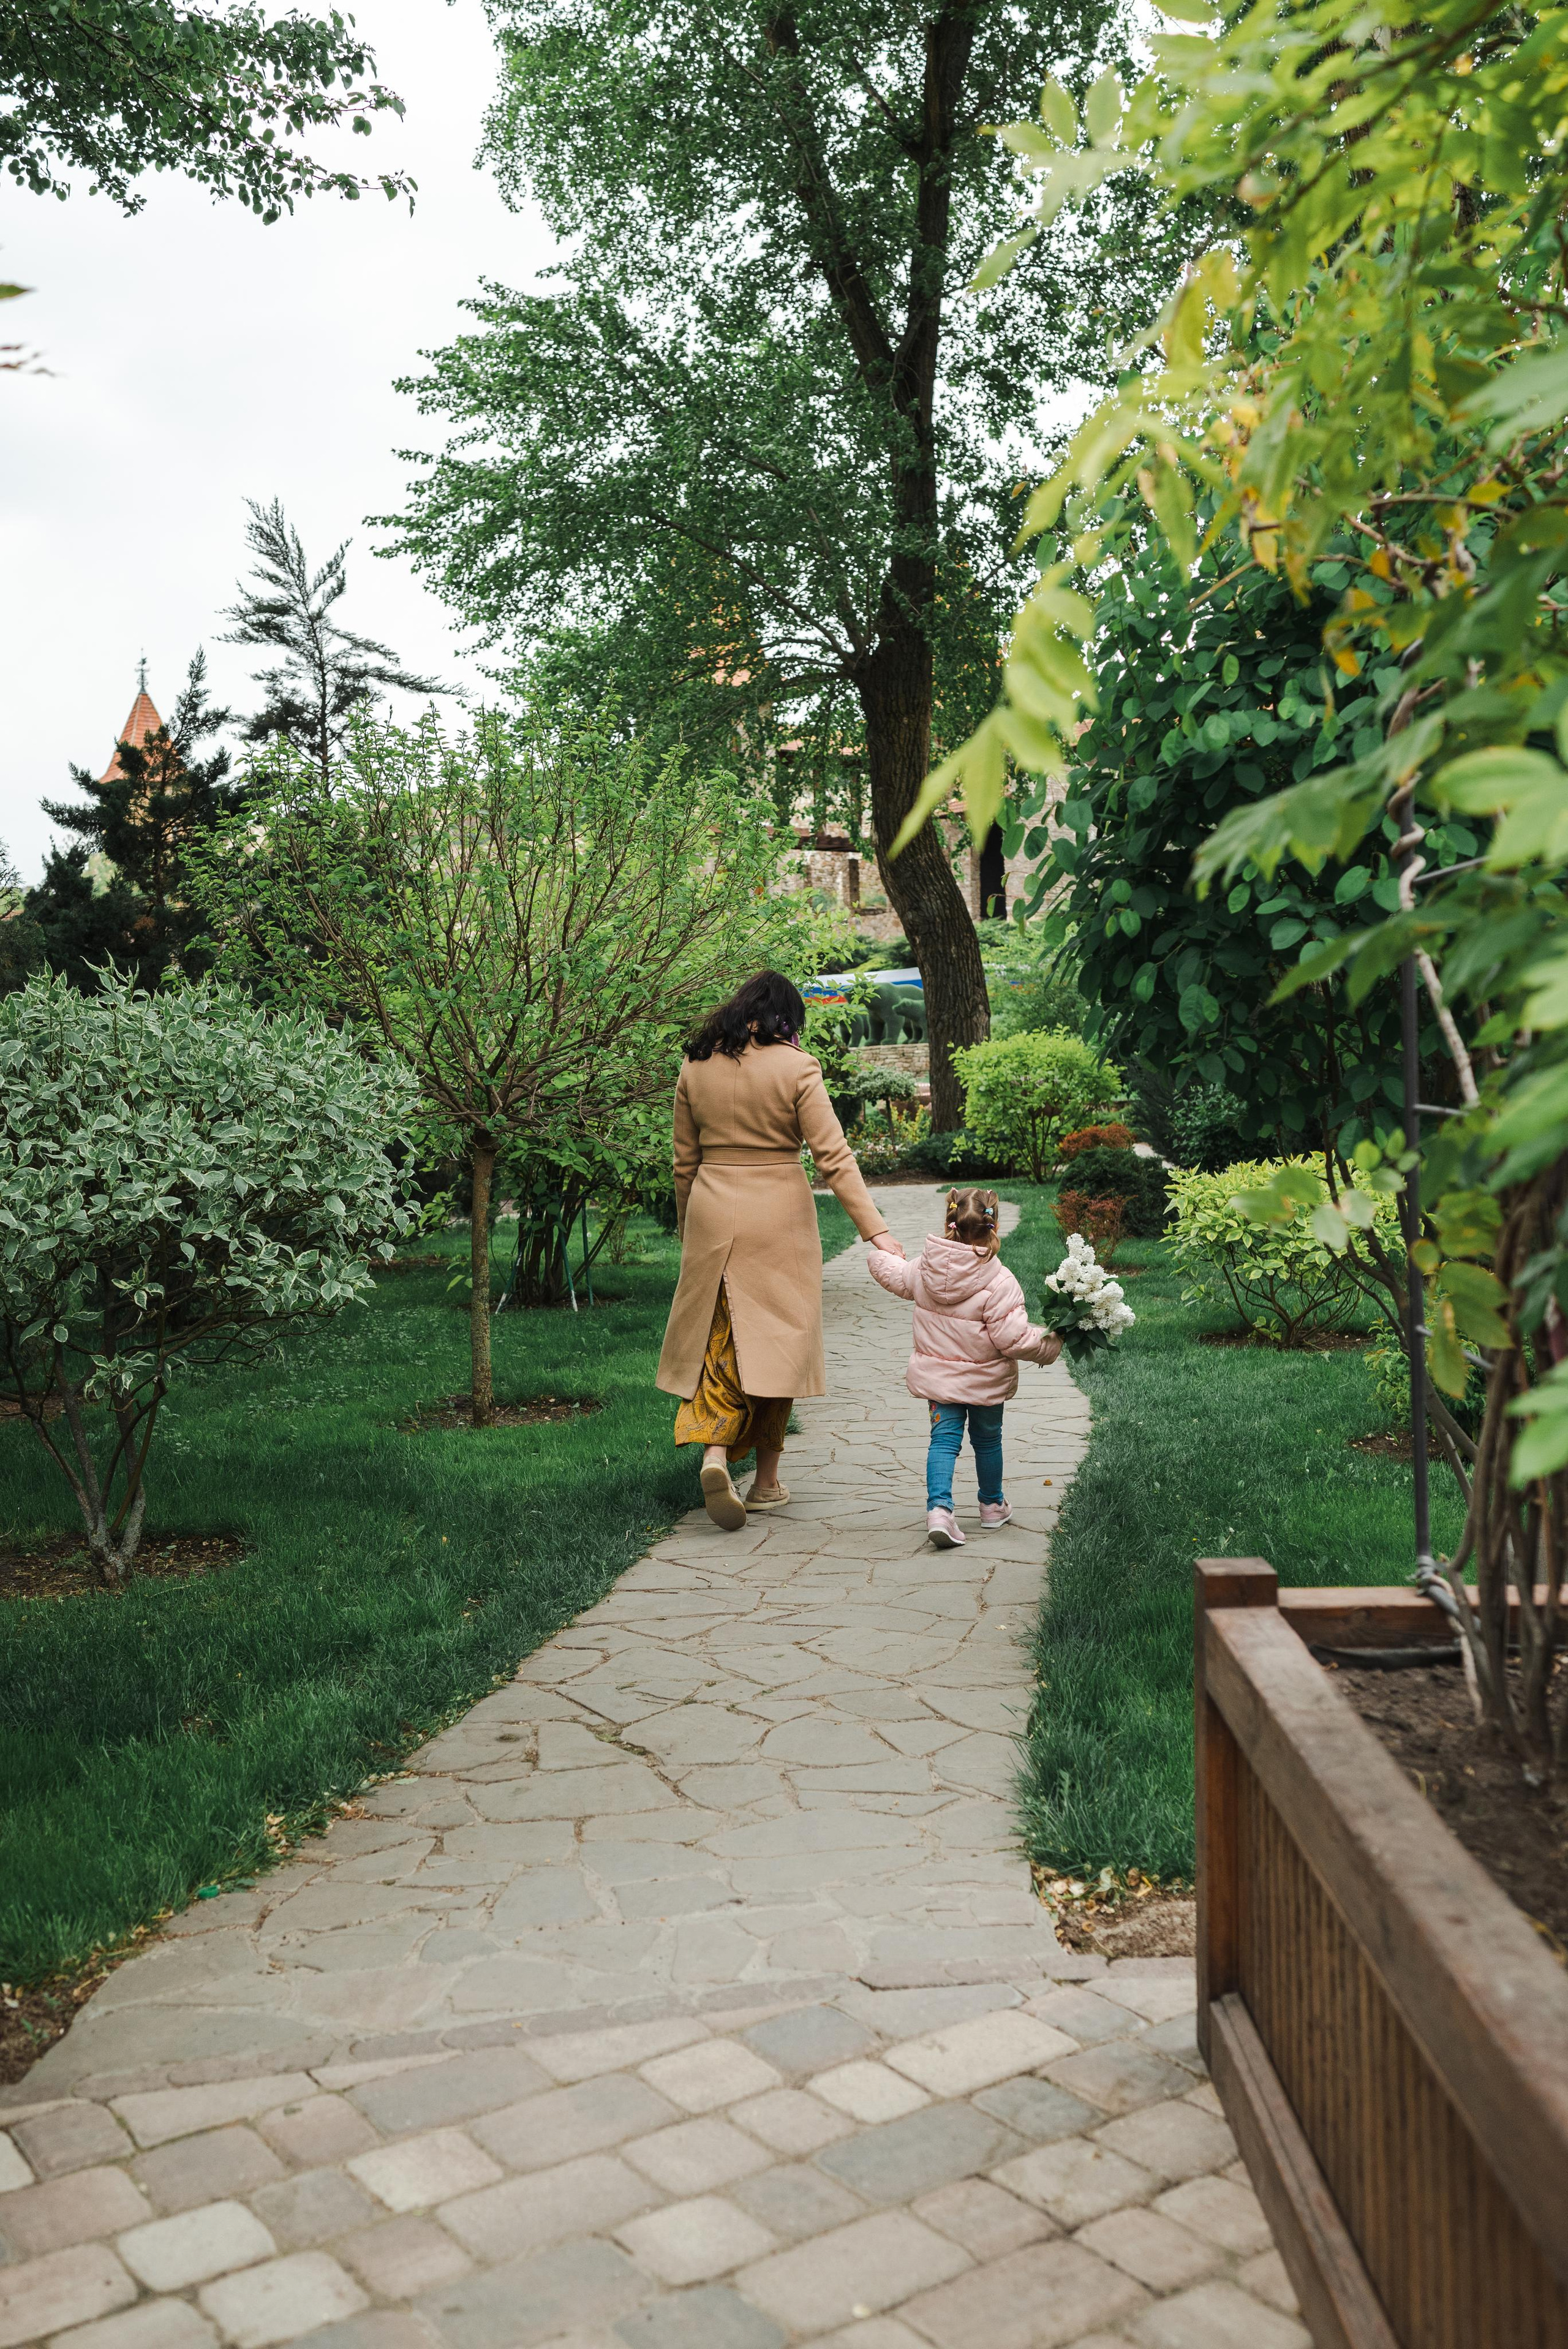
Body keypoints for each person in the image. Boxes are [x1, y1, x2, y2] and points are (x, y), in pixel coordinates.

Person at [656, 969, 905, 1530]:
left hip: (714, 1210)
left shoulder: (694, 1066)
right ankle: (766, 1482)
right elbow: (834, 1158)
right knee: (780, 1347)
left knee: (721, 1342)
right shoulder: (799, 1067)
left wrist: (687, 1224)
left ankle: (715, 1453)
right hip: (781, 1219)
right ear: (786, 1019)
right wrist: (877, 1233)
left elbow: (683, 1164)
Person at [867, 1186, 1061, 1549]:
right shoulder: (1000, 1281)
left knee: (943, 1441)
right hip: (986, 1384)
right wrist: (1052, 1342)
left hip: (939, 1383)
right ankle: (991, 1505)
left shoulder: (924, 1269)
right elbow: (1013, 1339)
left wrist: (883, 1255)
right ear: (994, 1227)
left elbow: (892, 1273)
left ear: (949, 1222)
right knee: (988, 1442)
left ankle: (939, 1511)